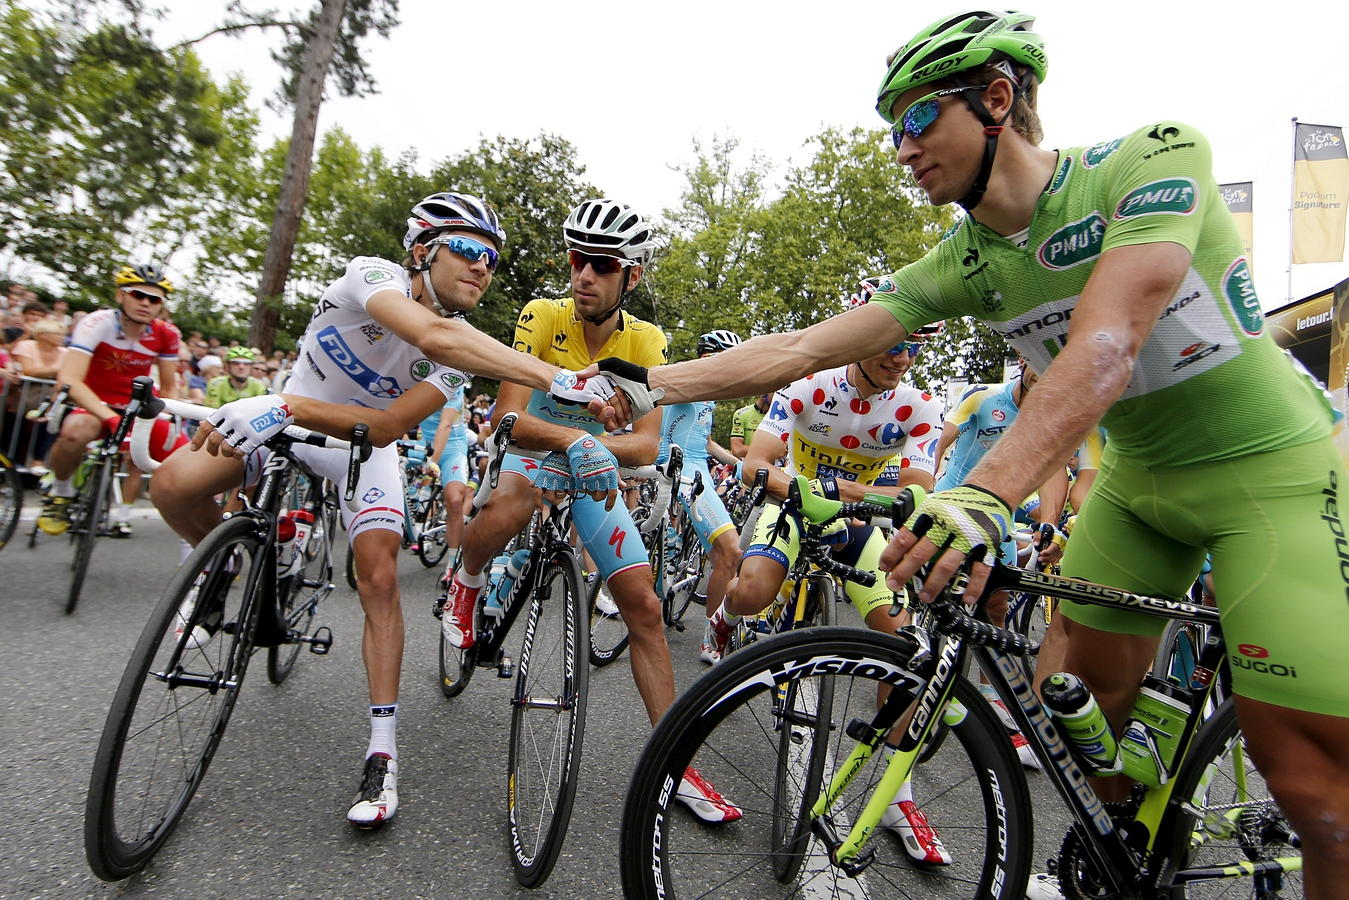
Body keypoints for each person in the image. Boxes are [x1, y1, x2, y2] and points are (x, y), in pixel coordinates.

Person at [582, 11, 1349, 895]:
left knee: (1315, 792)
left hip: (1276, 473)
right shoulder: (967, 259)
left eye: (914, 120)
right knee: (1076, 715)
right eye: (889, 130)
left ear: (995, 101)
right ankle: (1138, 854)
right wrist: (655, 382)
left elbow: (1109, 343)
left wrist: (979, 495)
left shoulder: (1151, 159)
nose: (898, 148)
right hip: (1140, 489)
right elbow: (803, 350)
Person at [149, 192, 613, 830]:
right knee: (172, 487)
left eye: (493, 261)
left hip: (352, 443)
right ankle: (229, 567)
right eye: (471, 250)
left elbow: (391, 425)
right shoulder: (374, 276)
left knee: (380, 577)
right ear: (423, 251)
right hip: (285, 415)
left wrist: (292, 409)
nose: (484, 268)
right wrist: (562, 378)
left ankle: (382, 751)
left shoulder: (459, 357)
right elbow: (427, 331)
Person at [448, 198, 740, 824]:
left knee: (645, 606)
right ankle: (467, 581)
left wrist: (591, 449)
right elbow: (509, 417)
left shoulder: (647, 340)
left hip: (594, 467)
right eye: (578, 259)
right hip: (535, 451)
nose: (583, 275)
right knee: (512, 503)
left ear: (630, 276)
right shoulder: (541, 316)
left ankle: (676, 764)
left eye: (601, 265)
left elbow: (644, 442)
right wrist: (574, 439)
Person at [711, 310, 949, 864]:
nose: (902, 358)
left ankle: (898, 795)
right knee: (754, 593)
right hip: (791, 512)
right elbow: (755, 464)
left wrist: (836, 490)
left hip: (858, 528)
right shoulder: (807, 385)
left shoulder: (919, 407)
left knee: (907, 648)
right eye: (892, 345)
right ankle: (726, 615)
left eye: (913, 350)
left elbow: (917, 491)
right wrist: (835, 488)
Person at [36, 265, 185, 538]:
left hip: (134, 405)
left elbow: (169, 388)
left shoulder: (168, 334)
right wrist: (109, 416)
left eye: (154, 299)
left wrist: (168, 417)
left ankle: (204, 552)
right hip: (91, 400)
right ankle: (61, 493)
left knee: (184, 458)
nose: (145, 303)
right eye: (137, 294)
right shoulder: (96, 323)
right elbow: (69, 379)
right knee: (76, 431)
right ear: (120, 295)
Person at [656, 330, 743, 664]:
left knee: (725, 554)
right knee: (730, 549)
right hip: (675, 465)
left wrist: (740, 465)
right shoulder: (687, 378)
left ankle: (712, 624)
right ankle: (712, 637)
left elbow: (705, 443)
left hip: (699, 467)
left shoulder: (712, 394)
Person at [728, 392, 771, 459]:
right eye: (776, 392)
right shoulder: (742, 414)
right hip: (747, 463)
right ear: (764, 393)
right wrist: (770, 451)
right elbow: (737, 450)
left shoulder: (781, 417)